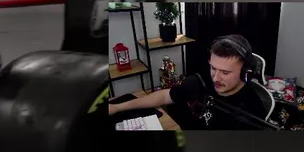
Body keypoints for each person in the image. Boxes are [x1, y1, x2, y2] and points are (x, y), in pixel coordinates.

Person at [108, 34, 271, 130]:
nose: (215, 78)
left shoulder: (252, 112)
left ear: (245, 72)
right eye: (213, 68)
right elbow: (165, 96)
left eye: (225, 72)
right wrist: (117, 107)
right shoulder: (202, 81)